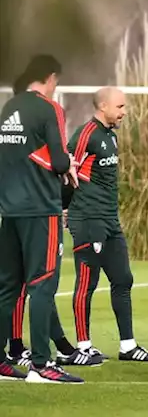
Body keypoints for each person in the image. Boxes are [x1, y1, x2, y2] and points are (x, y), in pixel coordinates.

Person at [0, 55, 82, 384]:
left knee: (7, 288)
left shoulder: (8, 108)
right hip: (40, 210)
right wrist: (70, 167)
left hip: (10, 211)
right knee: (42, 286)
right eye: (56, 83)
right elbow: (60, 161)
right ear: (50, 77)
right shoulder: (48, 108)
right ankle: (41, 364)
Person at [65, 87, 148, 365]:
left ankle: (128, 346)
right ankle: (83, 346)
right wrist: (65, 208)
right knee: (88, 281)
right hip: (88, 219)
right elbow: (67, 171)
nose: (124, 112)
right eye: (119, 107)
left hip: (109, 219)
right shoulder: (86, 134)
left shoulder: (111, 135)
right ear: (103, 106)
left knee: (123, 279)